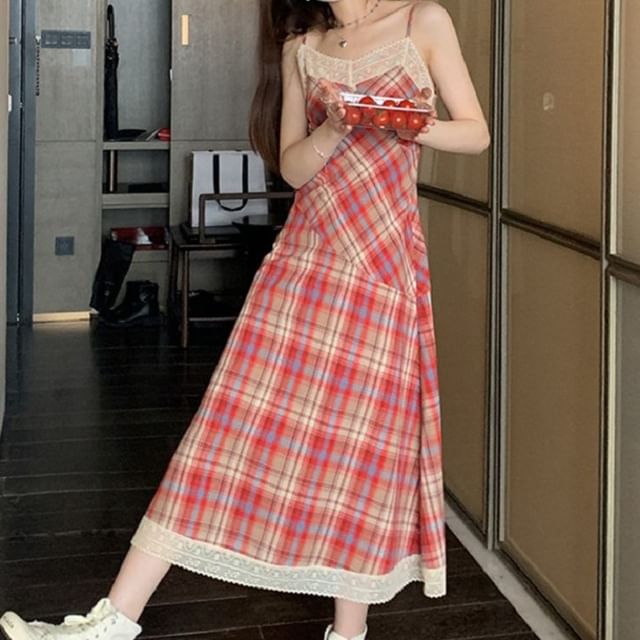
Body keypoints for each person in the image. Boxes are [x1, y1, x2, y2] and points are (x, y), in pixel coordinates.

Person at [0, 1, 489, 640]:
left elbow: (475, 133)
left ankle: (349, 633)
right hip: (303, 261)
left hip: (380, 267)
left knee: (362, 451)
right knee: (222, 431)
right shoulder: (302, 46)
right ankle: (113, 620)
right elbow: (292, 167)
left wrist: (401, 122)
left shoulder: (422, 21)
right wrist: (337, 127)